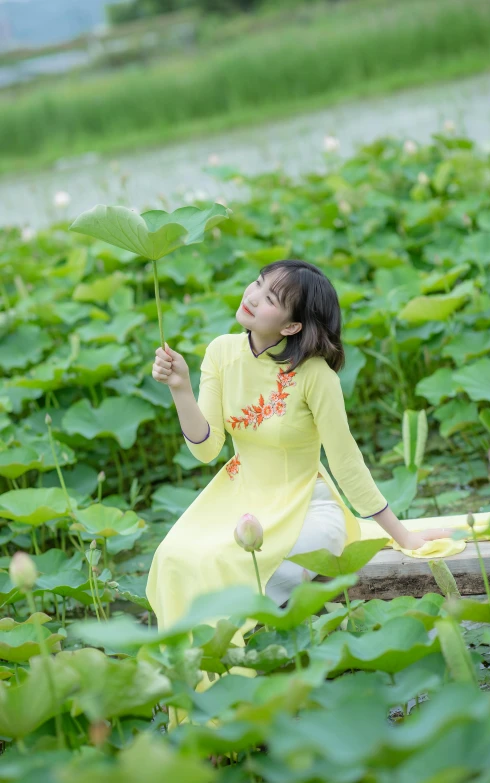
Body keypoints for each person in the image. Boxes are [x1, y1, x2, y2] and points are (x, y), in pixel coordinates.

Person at [145, 259, 454, 726]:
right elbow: (206, 450)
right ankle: (198, 707)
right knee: (173, 557)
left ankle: (239, 711)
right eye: (258, 283)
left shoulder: (316, 378)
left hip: (306, 507)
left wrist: (400, 534)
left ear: (291, 324)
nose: (253, 295)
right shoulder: (221, 352)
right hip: (238, 495)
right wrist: (181, 388)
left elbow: (347, 465)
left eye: (270, 297)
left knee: (228, 568)